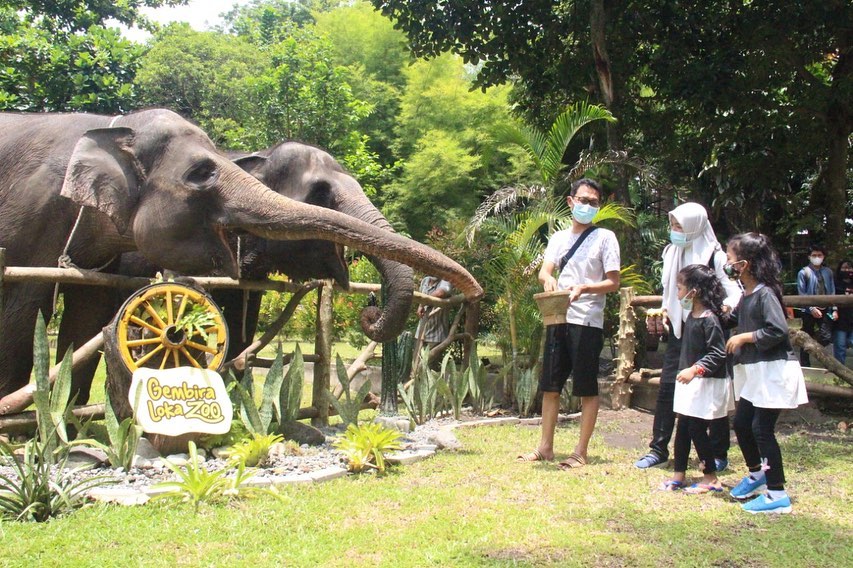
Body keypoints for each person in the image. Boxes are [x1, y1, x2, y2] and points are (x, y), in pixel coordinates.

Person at [516, 178, 620, 469]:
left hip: (587, 320)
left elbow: (613, 282)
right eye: (583, 200)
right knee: (551, 385)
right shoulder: (559, 238)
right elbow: (545, 272)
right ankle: (545, 447)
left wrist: (584, 288)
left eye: (594, 202)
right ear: (570, 201)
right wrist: (548, 279)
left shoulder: (605, 238)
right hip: (557, 316)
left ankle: (580, 452)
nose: (588, 206)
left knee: (586, 387)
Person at [635, 203, 742, 470]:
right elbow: (669, 289)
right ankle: (658, 448)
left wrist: (721, 309)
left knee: (712, 392)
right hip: (679, 331)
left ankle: (718, 453)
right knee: (668, 388)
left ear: (694, 226)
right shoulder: (671, 252)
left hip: (707, 333)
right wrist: (663, 309)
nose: (674, 231)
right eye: (672, 225)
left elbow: (735, 291)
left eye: (679, 226)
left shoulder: (714, 256)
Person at [724, 233, 808, 514]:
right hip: (754, 372)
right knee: (743, 424)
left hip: (773, 370)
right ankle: (758, 474)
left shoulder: (765, 293)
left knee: (762, 429)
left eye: (730, 258)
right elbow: (729, 319)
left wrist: (745, 337)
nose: (727, 262)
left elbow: (778, 330)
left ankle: (777, 493)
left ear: (744, 264)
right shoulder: (746, 295)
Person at [659, 264, 731, 494]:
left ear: (694, 291)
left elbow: (718, 353)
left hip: (706, 383)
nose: (678, 294)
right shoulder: (693, 315)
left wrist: (695, 370)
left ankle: (711, 477)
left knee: (697, 429)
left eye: (680, 288)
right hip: (691, 382)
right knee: (683, 427)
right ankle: (678, 474)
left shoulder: (709, 319)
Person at [796, 245, 836, 366]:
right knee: (806, 335)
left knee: (826, 336)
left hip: (825, 308)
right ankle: (805, 364)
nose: (817, 257)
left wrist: (834, 308)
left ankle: (826, 362)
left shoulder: (828, 272)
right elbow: (801, 292)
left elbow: (832, 290)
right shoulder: (803, 272)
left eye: (819, 255)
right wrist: (811, 308)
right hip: (808, 310)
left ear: (823, 257)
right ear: (809, 257)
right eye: (814, 255)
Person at [414, 275, 452, 365]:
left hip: (436, 335)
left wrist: (422, 304)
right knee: (415, 364)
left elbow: (441, 292)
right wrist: (421, 304)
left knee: (430, 368)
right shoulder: (425, 281)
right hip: (420, 332)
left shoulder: (446, 281)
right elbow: (420, 297)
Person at [832, 259, 853, 365]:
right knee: (840, 347)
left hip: (852, 318)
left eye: (849, 267)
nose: (847, 270)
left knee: (850, 342)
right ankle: (839, 371)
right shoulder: (835, 283)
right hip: (840, 320)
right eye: (844, 267)